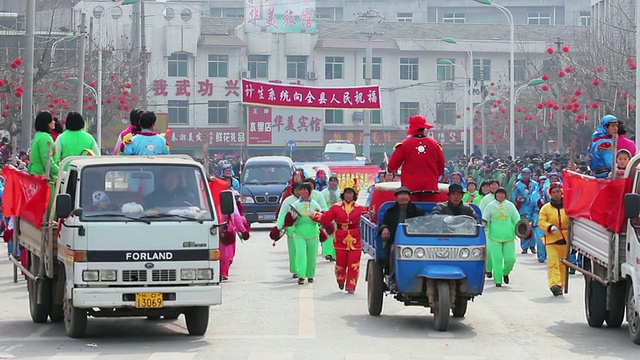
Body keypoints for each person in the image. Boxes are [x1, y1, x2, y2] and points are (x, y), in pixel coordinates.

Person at [311, 178, 365, 294]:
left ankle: (351, 285)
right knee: (340, 263)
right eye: (346, 193)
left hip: (355, 239)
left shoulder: (360, 209)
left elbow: (369, 218)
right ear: (343, 194)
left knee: (354, 264)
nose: (348, 195)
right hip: (340, 239)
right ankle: (341, 280)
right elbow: (325, 218)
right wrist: (313, 214)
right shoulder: (336, 207)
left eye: (351, 193)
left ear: (354, 195)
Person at [387, 115, 445, 202]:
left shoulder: (404, 145)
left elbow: (392, 166)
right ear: (424, 127)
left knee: (411, 214)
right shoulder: (434, 144)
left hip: (410, 190)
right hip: (431, 188)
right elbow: (441, 166)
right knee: (431, 213)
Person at [378, 186, 425, 288]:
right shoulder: (390, 211)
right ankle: (394, 277)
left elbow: (423, 225)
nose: (403, 197)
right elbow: (383, 223)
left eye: (405, 195)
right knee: (394, 251)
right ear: (396, 198)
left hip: (415, 241)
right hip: (395, 240)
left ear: (409, 197)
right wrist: (384, 228)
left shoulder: (418, 210)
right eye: (400, 195)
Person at [284, 183, 322, 285]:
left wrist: (314, 215)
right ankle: (301, 275)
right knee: (300, 254)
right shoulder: (295, 204)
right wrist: (292, 218)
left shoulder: (315, 204)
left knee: (311, 255)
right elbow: (290, 218)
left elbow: (321, 217)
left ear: (309, 192)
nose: (303, 192)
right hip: (299, 233)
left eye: (305, 190)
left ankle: (310, 275)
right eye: (301, 190)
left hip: (312, 233)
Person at [482, 188, 520, 287]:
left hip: (508, 236)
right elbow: (485, 219)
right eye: (498, 194)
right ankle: (498, 280)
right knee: (496, 259)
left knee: (510, 259)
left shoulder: (510, 205)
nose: (500, 196)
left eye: (503, 194)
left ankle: (505, 272)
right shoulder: (490, 206)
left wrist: (521, 229)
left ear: (505, 195)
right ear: (496, 195)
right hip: (494, 237)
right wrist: (481, 227)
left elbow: (517, 218)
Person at [538, 182, 569, 296]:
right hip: (552, 240)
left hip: (566, 240)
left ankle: (561, 285)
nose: (556, 194)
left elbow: (574, 219)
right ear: (550, 194)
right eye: (553, 192)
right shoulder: (545, 208)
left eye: (558, 192)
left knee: (563, 264)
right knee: (553, 263)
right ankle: (554, 284)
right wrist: (549, 227)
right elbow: (541, 222)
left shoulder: (569, 206)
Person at [274, 181, 303, 278]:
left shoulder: (307, 201)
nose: (299, 192)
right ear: (293, 190)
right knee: (294, 251)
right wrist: (278, 228)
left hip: (305, 230)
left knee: (302, 252)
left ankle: (302, 269)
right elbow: (282, 215)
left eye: (301, 189)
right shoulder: (287, 201)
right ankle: (296, 270)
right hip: (292, 230)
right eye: (297, 189)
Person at [511, 168, 538, 255]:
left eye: (528, 174)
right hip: (523, 208)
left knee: (533, 228)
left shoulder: (535, 184)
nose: (526, 175)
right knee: (523, 227)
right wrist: (518, 199)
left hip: (533, 209)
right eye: (524, 174)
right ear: (522, 174)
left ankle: (533, 246)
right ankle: (524, 247)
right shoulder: (517, 185)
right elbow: (513, 196)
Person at [28, 111, 60, 183]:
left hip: (37, 175)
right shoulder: (44, 138)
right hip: (42, 178)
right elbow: (47, 160)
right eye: (51, 120)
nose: (54, 122)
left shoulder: (39, 135)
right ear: (46, 123)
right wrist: (59, 171)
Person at [321, 176, 340, 261]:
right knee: (327, 235)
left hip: (338, 217)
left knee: (336, 236)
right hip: (327, 216)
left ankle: (334, 254)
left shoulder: (340, 193)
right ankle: (327, 253)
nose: (333, 183)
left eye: (335, 181)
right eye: (331, 181)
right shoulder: (323, 193)